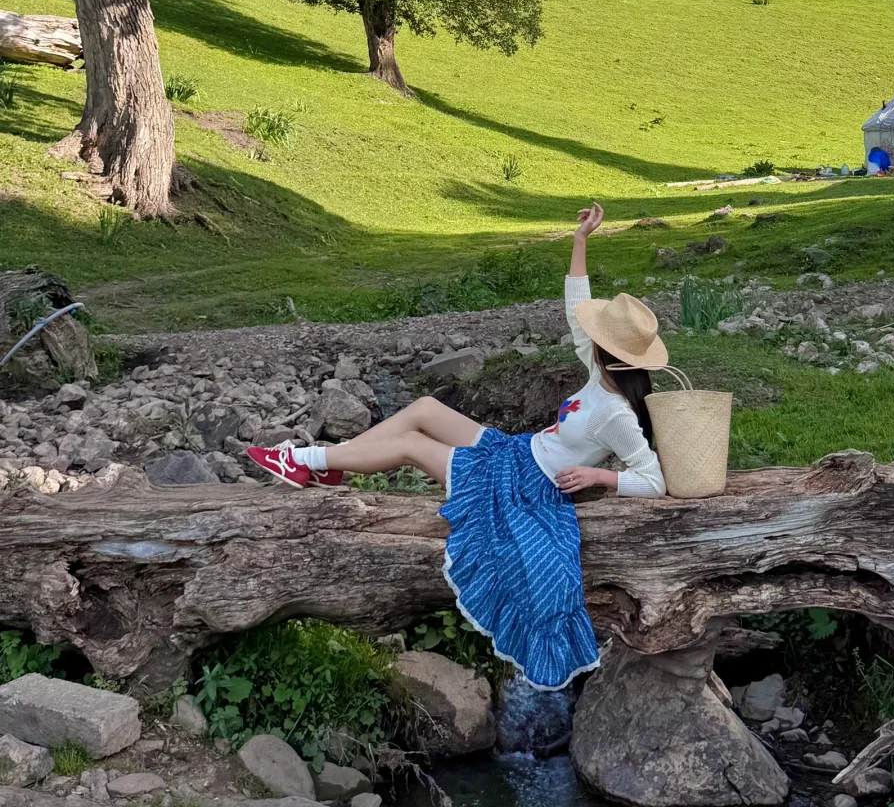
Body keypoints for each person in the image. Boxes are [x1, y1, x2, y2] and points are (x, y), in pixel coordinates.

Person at [247, 201, 668, 689]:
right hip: (514, 454)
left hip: (525, 489)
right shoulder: (601, 371)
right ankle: (332, 464)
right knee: (425, 408)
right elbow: (577, 309)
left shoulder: (616, 413)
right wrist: (579, 241)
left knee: (410, 444)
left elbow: (654, 479)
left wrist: (599, 476)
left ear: (607, 349)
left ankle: (304, 460)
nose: (587, 335)